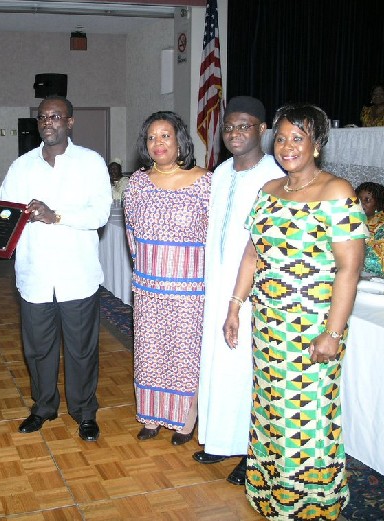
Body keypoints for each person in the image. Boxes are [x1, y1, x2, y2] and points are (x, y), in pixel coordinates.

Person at [223, 103, 367, 520]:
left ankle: (310, 503)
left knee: (308, 415)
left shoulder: (337, 192)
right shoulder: (268, 190)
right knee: (270, 409)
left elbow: (349, 270)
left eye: (298, 138)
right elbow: (253, 253)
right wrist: (235, 305)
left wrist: (333, 333)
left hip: (312, 327)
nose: (287, 146)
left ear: (317, 144)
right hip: (269, 324)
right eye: (281, 138)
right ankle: (270, 493)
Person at [0, 96, 111, 442]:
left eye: (56, 116)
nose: (49, 122)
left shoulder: (91, 163)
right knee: (38, 349)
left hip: (78, 276)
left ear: (70, 122)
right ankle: (44, 407)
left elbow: (100, 214)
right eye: (43, 117)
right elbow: (3, 215)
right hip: (35, 276)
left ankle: (84, 412)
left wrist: (55, 215)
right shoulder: (22, 167)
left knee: (81, 349)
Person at [193, 97, 284, 484]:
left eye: (243, 126)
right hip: (217, 284)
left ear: (262, 129)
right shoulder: (220, 172)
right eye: (229, 127)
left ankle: (253, 451)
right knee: (217, 360)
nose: (234, 134)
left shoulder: (277, 175)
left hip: (254, 288)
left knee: (249, 367)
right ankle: (219, 437)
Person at [124, 111, 211, 445]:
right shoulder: (137, 184)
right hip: (148, 286)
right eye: (151, 137)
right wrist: (145, 271)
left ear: (180, 141)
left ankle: (186, 420)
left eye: (165, 136)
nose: (157, 143)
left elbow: (213, 237)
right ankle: (151, 416)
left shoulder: (205, 182)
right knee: (150, 350)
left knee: (184, 354)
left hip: (190, 291)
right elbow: (131, 234)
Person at [356, 181, 384, 277]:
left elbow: (383, 257)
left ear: (378, 203)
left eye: (367, 200)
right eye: (358, 200)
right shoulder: (352, 219)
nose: (361, 203)